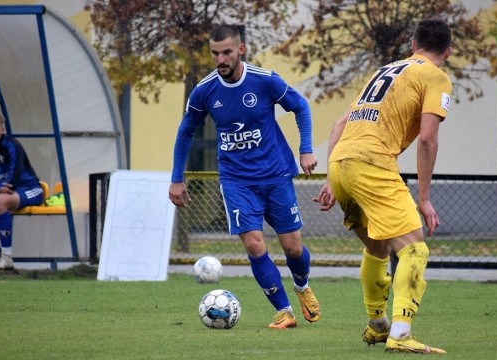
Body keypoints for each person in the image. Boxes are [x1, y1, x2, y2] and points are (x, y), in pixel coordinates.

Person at [313, 19, 452, 354]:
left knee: (377, 246)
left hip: (342, 161)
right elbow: (428, 140)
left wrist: (333, 178)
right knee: (414, 249)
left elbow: (339, 123)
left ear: (413, 45)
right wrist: (424, 198)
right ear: (447, 51)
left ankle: (378, 326)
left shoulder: (386, 70)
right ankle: (401, 334)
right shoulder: (436, 76)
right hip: (372, 163)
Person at [169, 24, 321, 329]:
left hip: (276, 175)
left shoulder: (264, 81)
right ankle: (285, 312)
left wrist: (306, 149)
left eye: (226, 52)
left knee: (293, 248)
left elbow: (300, 106)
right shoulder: (205, 90)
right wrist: (176, 178)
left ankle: (302, 287)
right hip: (236, 181)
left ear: (241, 50)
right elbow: (186, 131)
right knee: (254, 244)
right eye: (215, 53)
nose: (220, 59)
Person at [0, 111, 44, 270]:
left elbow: (12, 182)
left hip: (28, 189)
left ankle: (6, 257)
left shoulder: (12, 146)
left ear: (2, 130)